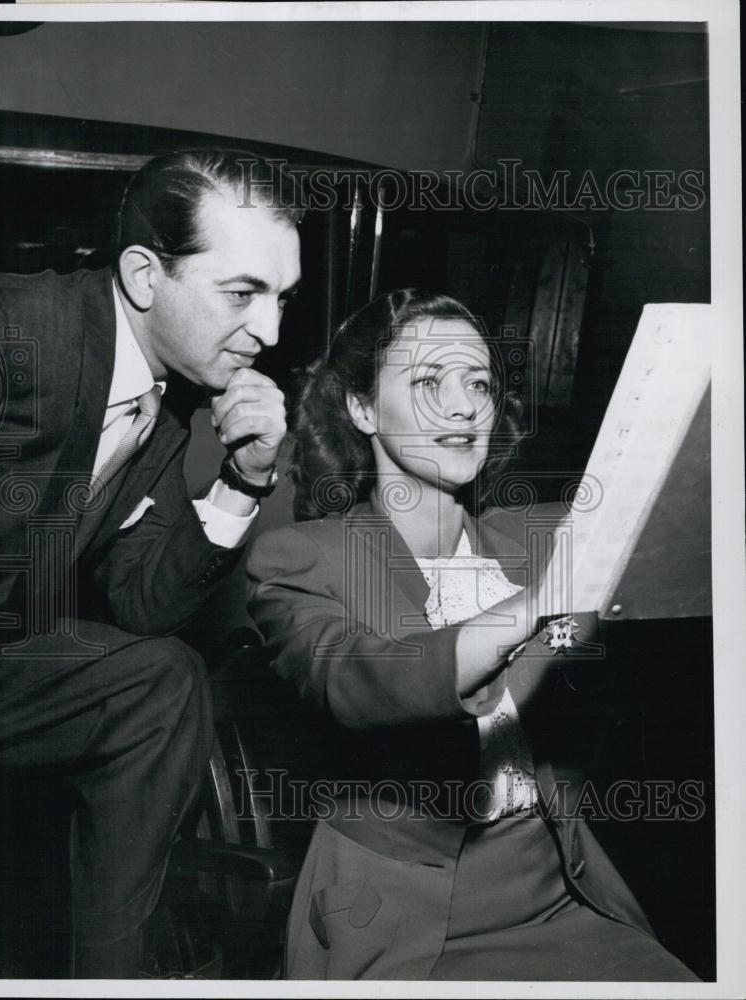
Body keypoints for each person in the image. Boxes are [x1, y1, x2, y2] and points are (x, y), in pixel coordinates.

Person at [246, 289, 699, 981]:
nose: (463, 406)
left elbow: (693, 516)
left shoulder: (546, 537)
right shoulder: (304, 557)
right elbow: (356, 677)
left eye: (479, 383)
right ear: (362, 409)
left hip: (559, 892)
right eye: (428, 382)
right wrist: (540, 604)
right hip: (403, 918)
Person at [0, 148, 302, 978]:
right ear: (145, 275)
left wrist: (244, 478)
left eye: (281, 299)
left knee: (159, 680)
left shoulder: (161, 409)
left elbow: (143, 605)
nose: (270, 332)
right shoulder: (12, 329)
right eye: (242, 293)